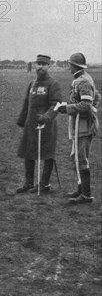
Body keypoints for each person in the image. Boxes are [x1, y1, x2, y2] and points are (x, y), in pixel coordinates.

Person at [57, 53, 100, 204]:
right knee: (75, 157)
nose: (68, 66)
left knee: (81, 158)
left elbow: (86, 104)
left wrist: (67, 108)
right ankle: (81, 188)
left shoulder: (84, 81)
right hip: (78, 124)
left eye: (70, 64)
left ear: (75, 66)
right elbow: (97, 96)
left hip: (83, 126)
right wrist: (92, 109)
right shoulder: (80, 79)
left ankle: (86, 195)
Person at [16, 54, 62, 193]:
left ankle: (44, 184)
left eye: (43, 64)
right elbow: (26, 103)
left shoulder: (53, 84)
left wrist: (46, 117)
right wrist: (22, 121)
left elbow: (56, 105)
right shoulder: (32, 83)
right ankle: (29, 183)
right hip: (31, 124)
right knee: (29, 152)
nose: (40, 66)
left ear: (48, 66)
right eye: (38, 64)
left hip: (47, 126)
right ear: (35, 65)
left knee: (47, 154)